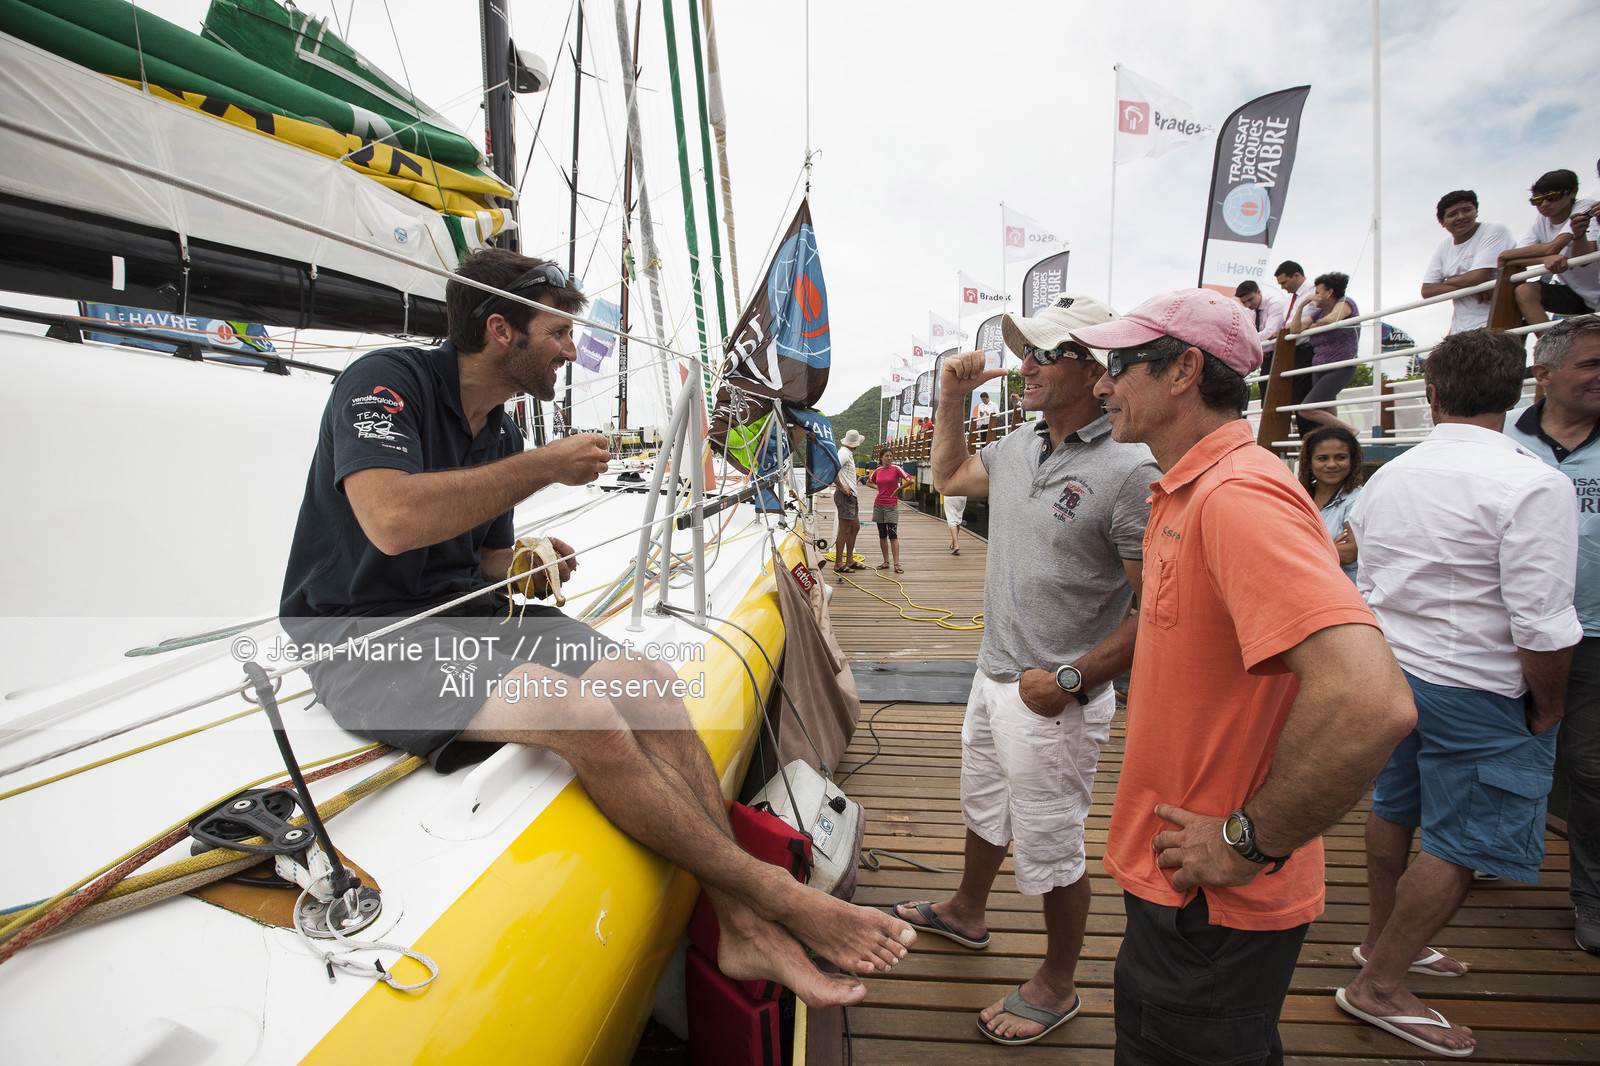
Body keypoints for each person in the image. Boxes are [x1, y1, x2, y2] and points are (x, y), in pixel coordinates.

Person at [278, 248, 915, 1009]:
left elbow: (484, 570)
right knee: (586, 718)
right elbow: (389, 521)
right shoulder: (385, 383)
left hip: (467, 617)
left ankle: (740, 921)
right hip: (365, 641)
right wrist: (546, 467)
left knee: (647, 686)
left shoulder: (501, 437)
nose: (572, 349)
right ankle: (777, 897)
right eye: (559, 332)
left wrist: (526, 558)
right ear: (499, 330)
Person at [1070, 288, 1417, 1065]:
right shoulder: (1187, 487)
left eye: (1119, 366)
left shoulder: (1236, 495)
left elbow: (1370, 700)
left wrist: (1246, 841)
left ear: (1184, 370)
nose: (1101, 385)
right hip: (1185, 879)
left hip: (1212, 895)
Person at [901, 291, 1155, 1045]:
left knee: (1052, 843)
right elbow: (946, 477)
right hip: (993, 671)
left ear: (1091, 366)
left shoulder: (1132, 469)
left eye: (1043, 354)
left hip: (1057, 696)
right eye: (1026, 352)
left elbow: (1159, 611)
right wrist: (950, 398)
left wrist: (1074, 680)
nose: (1026, 367)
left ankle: (1058, 981)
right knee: (983, 803)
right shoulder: (1019, 446)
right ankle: (968, 912)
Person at [1344, 328, 1582, 1057]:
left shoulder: (1389, 477)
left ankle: (1383, 941)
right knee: (1462, 840)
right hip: (1477, 685)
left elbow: (1369, 573)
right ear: (1519, 394)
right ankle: (1380, 984)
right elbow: (1542, 625)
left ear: (1432, 395)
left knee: (1395, 806)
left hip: (1395, 672)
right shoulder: (1534, 483)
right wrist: (1547, 704)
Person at [1503, 316, 1600, 954]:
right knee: (1500, 750)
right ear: (1545, 375)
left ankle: (1590, 897)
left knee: (1591, 769)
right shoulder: (1504, 439)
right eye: (1591, 364)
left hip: (1592, 633)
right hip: (1507, 631)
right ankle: (1489, 849)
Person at [1498, 169, 1599, 325]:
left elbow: (1554, 247)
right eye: (1538, 200)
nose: (1544, 205)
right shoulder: (1541, 221)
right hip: (1578, 294)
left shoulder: (1585, 207)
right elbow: (1513, 258)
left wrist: (1506, 256)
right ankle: (1546, 345)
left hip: (1596, 288)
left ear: (1572, 192)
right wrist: (1544, 258)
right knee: (1525, 291)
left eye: (1552, 197)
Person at [1421, 190, 1517, 335]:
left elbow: (1478, 277)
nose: (1461, 217)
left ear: (1476, 211)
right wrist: (1472, 285)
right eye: (1453, 214)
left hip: (1497, 323)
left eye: (1467, 210)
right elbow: (1427, 291)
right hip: (1459, 330)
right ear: (1442, 222)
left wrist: (1448, 281)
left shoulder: (1494, 230)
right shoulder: (1444, 246)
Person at [1287, 271, 1360, 432]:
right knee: (1328, 413)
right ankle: (1340, 439)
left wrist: (1313, 326)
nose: (1314, 296)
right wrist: (1301, 305)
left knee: (1306, 409)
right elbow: (1295, 329)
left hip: (1341, 367)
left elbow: (1332, 319)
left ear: (1330, 292)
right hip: (1319, 368)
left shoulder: (1345, 302)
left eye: (1318, 293)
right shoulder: (1318, 312)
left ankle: (1350, 430)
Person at [1296, 426, 1364, 582]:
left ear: (1352, 460)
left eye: (1340, 457)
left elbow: (1348, 553)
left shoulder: (1357, 498)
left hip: (1342, 588)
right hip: (1305, 584)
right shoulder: (1298, 495)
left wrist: (1298, 546)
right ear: (1310, 462)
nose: (1332, 464)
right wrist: (1331, 547)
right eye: (1323, 458)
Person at [1274, 261, 1318, 432]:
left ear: (1297, 276)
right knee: (1295, 400)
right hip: (1293, 351)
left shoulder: (1313, 291)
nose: (1283, 287)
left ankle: (1310, 442)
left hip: (1308, 349)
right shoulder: (1290, 298)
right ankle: (1306, 443)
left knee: (1303, 402)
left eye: (1285, 282)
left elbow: (1313, 318)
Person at [867, 446, 912, 573]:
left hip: (891, 506)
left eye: (891, 456)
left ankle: (896, 564)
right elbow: (868, 482)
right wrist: (878, 488)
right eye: (886, 456)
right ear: (881, 458)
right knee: (882, 535)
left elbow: (910, 480)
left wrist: (899, 488)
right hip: (878, 505)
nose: (889, 458)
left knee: (893, 535)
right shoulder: (878, 471)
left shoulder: (896, 469)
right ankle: (886, 562)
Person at [833, 429, 865, 573]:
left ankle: (850, 560)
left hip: (852, 495)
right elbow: (832, 469)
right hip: (845, 495)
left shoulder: (847, 454)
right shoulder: (843, 454)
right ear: (856, 444)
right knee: (844, 530)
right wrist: (842, 487)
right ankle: (839, 563)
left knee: (855, 526)